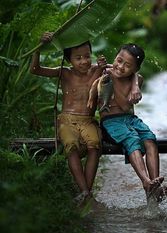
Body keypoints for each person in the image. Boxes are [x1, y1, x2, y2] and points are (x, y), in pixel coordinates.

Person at [30, 32, 142, 204]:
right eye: (78, 58)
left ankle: (86, 192)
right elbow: (35, 69)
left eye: (87, 56)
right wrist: (39, 47)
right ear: (69, 61)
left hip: (88, 121)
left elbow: (128, 68)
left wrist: (133, 85)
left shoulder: (98, 69)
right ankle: (85, 191)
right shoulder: (64, 73)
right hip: (67, 120)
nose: (84, 61)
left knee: (95, 148)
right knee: (71, 148)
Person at [88, 43, 167, 202]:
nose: (120, 67)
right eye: (119, 60)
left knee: (150, 139)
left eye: (127, 65)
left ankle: (155, 187)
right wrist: (104, 71)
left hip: (130, 119)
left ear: (135, 69)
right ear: (115, 57)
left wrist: (134, 84)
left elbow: (125, 105)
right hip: (110, 122)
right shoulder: (105, 76)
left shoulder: (136, 79)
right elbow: (93, 84)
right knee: (132, 140)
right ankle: (146, 182)